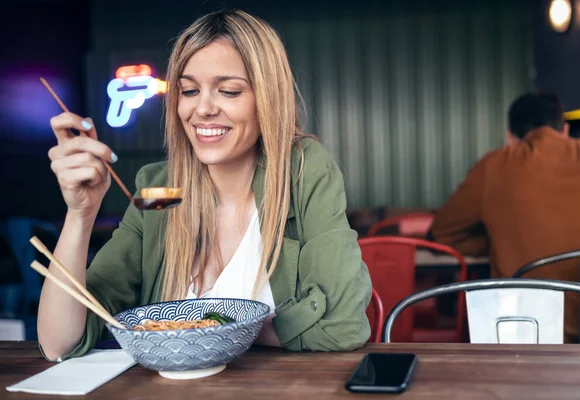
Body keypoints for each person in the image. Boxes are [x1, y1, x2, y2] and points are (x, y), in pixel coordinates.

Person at [38, 9, 372, 361]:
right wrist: (80, 214)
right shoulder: (159, 191)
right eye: (189, 90)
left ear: (267, 99)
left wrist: (216, 332)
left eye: (228, 91)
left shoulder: (302, 169)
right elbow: (60, 343)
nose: (203, 108)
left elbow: (342, 326)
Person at [429, 92, 580, 343]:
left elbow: (441, 232)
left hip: (526, 337)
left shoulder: (495, 165)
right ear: (564, 129)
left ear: (510, 136)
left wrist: (499, 242)